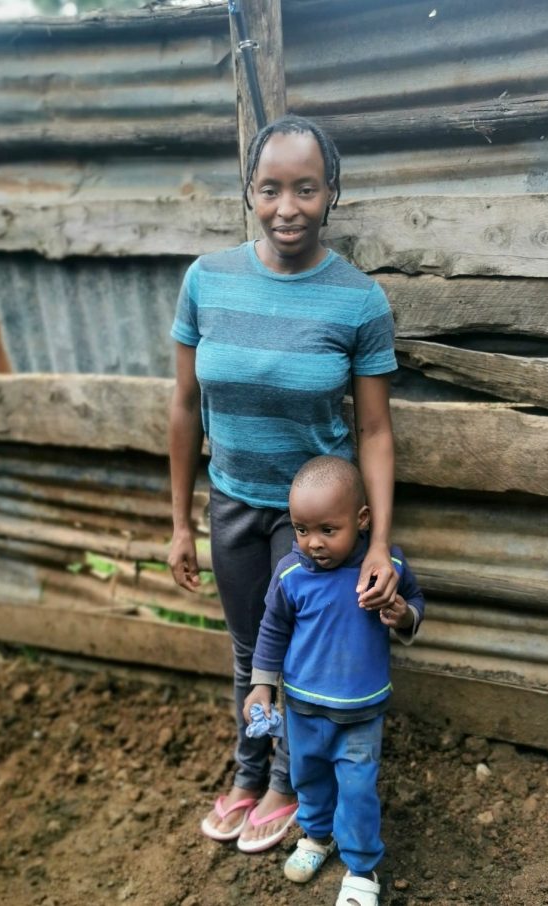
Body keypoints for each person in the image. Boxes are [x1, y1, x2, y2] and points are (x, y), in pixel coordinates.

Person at [167, 114, 400, 853]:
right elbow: (181, 409)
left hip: (315, 525)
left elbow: (373, 432)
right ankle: (249, 770)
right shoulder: (206, 280)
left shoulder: (358, 300)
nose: (287, 207)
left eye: (306, 188)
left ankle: (286, 786)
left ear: (333, 193)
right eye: (270, 189)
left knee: (294, 655)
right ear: (250, 191)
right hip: (234, 502)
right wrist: (179, 520)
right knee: (248, 655)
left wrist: (380, 543)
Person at [243, 456, 425, 906]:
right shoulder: (290, 573)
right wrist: (262, 684)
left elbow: (415, 599)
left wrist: (403, 614)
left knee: (358, 789)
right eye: (302, 530)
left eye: (328, 529)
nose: (313, 543)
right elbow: (272, 630)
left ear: (362, 520)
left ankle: (362, 869)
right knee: (309, 777)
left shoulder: (384, 569)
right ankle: (317, 837)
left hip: (360, 713)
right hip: (303, 708)